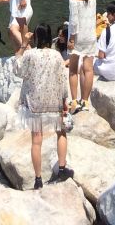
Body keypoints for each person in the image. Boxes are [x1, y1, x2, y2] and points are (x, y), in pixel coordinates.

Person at [16, 22, 74, 190]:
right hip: (53, 101)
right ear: (49, 37)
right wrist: (64, 100)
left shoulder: (30, 55)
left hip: (35, 103)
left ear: (35, 37)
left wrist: (23, 45)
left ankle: (38, 179)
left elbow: (17, 70)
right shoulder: (56, 56)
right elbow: (62, 80)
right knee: (61, 132)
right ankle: (62, 169)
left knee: (36, 140)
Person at [66, 0, 97, 112]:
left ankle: (74, 101)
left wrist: (71, 39)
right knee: (88, 69)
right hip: (90, 35)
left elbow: (73, 22)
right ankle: (85, 101)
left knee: (73, 70)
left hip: (77, 37)